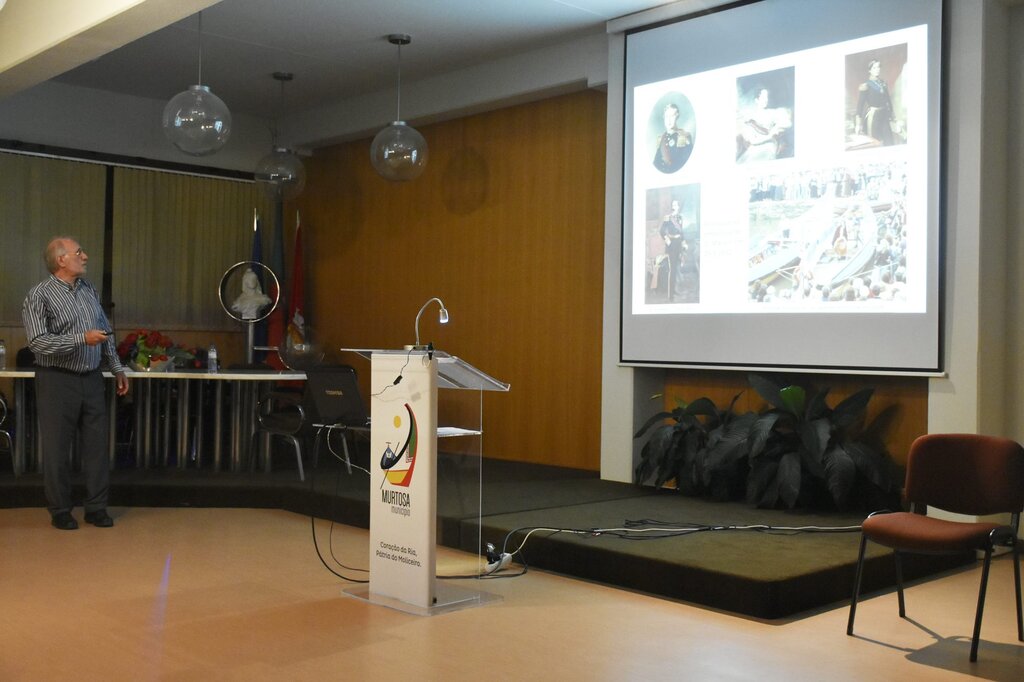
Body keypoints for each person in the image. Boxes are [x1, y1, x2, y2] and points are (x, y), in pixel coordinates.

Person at [22, 237, 129, 530]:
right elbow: (38, 342)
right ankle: (60, 510)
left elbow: (104, 330)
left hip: (92, 378)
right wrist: (81, 338)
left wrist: (116, 367)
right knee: (57, 449)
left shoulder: (88, 289)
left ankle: (96, 508)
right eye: (79, 252)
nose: (85, 256)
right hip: (57, 380)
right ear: (61, 260)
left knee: (97, 447)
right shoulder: (39, 295)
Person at [737, 86, 792, 163]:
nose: (766, 100)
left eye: (767, 97)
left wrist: (776, 130)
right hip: (755, 148)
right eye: (763, 97)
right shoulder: (750, 117)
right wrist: (771, 136)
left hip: (768, 147)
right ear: (757, 100)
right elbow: (752, 140)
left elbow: (787, 124)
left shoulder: (772, 113)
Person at [855, 60, 898, 145]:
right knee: (875, 143)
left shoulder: (883, 84)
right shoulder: (866, 85)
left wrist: (894, 119)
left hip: (884, 116)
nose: (877, 69)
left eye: (878, 67)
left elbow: (888, 101)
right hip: (873, 118)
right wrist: (858, 124)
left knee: (889, 141)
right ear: (869, 70)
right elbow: (860, 105)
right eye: (874, 68)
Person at [652, 102, 693, 173]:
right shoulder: (661, 139)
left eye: (672, 116)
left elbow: (686, 164)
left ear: (677, 117)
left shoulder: (684, 136)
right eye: (667, 116)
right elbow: (656, 164)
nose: (669, 120)